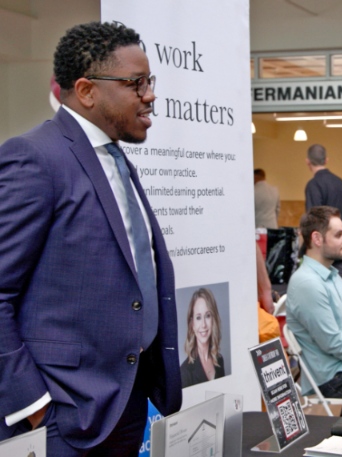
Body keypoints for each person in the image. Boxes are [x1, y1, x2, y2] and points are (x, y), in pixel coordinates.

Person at [0, 22, 182, 456]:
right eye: (135, 83)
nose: (149, 94)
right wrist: (36, 405)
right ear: (86, 91)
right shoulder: (36, 158)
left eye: (149, 81)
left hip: (124, 400)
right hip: (64, 416)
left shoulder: (116, 159)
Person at [286, 206, 342, 398]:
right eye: (339, 235)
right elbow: (333, 343)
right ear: (317, 239)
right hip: (331, 381)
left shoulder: (333, 276)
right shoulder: (306, 283)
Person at [181, 288, 225, 387]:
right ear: (192, 323)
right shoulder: (184, 372)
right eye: (198, 317)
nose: (203, 325)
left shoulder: (220, 360)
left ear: (214, 319)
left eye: (208, 316)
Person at [305, 144, 342, 226]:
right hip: (341, 236)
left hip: (324, 237)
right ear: (326, 160)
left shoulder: (313, 185)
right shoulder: (341, 183)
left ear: (307, 161)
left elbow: (313, 219)